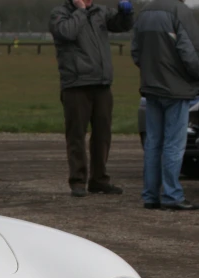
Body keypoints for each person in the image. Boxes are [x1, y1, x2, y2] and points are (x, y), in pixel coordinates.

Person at [50, 0, 133, 197]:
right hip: (77, 84)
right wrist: (81, 11)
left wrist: (125, 13)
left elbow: (122, 26)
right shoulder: (59, 14)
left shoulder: (101, 12)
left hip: (102, 84)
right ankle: (78, 181)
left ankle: (99, 179)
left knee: (102, 135)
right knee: (76, 135)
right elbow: (67, 33)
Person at [131, 0, 199, 210]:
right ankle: (172, 195)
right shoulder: (180, 12)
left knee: (153, 143)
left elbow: (136, 52)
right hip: (176, 90)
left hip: (151, 88)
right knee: (173, 144)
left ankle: (150, 195)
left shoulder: (144, 12)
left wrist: (152, 73)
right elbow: (189, 53)